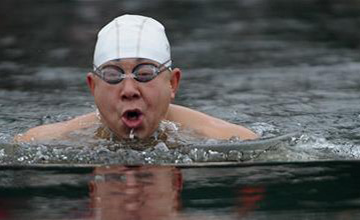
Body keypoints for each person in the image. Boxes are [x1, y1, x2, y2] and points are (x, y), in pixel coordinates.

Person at [15, 15, 258, 143]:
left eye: (145, 74)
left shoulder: (230, 141)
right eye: (112, 75)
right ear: (92, 86)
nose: (129, 89)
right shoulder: (41, 142)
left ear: (172, 83)